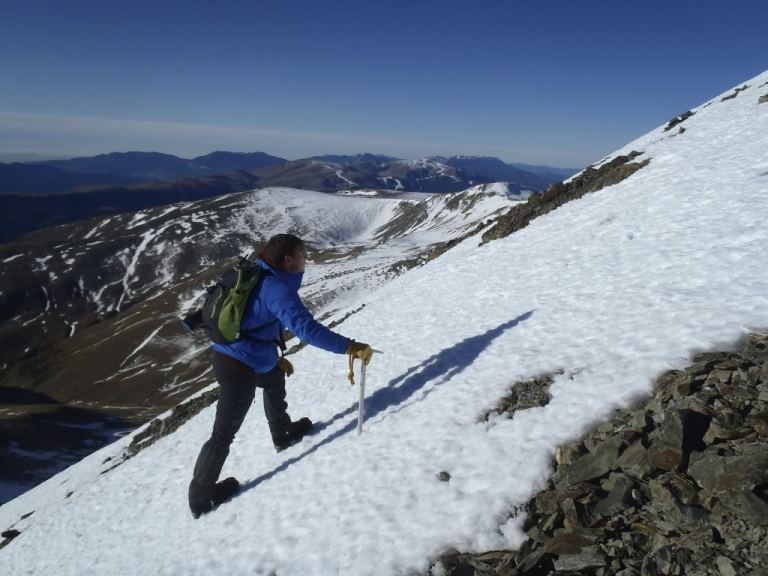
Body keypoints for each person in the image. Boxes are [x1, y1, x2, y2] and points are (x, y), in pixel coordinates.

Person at [188, 233, 373, 518]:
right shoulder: (276, 289)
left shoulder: (260, 272)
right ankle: (201, 498)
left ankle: (282, 433)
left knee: (274, 380)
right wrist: (350, 347)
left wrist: (272, 358)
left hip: (243, 356)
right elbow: (307, 331)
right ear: (288, 260)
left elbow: (257, 319)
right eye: (302, 253)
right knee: (223, 432)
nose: (306, 258)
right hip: (238, 368)